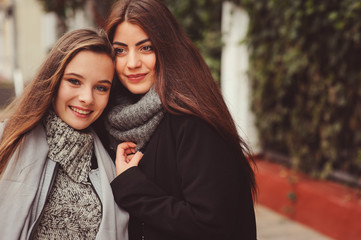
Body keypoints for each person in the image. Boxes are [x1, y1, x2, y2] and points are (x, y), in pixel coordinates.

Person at [103, 0, 257, 239]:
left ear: (167, 48)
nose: (132, 63)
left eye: (146, 48)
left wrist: (131, 187)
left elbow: (211, 224)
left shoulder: (192, 120)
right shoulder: (112, 119)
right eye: (120, 51)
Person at [0, 29, 129, 240]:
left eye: (101, 88)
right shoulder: (8, 139)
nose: (87, 98)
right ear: (53, 80)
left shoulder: (111, 160)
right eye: (74, 81)